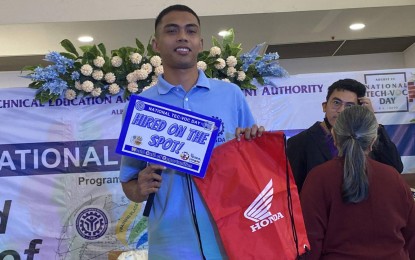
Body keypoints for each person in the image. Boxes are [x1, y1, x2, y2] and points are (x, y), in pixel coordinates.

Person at [119, 4, 263, 259]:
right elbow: (129, 182)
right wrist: (138, 189)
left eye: (190, 31)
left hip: (231, 236)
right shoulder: (141, 109)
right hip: (171, 242)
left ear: (200, 42)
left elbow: (253, 167)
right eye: (172, 30)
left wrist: (255, 146)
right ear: (156, 44)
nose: (182, 37)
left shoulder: (230, 96)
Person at [300, 105, 415, 259]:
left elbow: (309, 242)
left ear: (334, 135)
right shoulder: (393, 177)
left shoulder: (318, 178)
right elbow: (411, 234)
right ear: (373, 140)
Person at [287, 78, 403, 192]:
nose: (341, 110)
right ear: (324, 106)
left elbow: (395, 168)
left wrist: (371, 121)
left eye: (350, 106)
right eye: (336, 103)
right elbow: (293, 190)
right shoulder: (299, 142)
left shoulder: (364, 137)